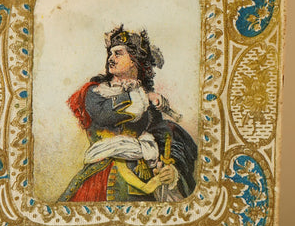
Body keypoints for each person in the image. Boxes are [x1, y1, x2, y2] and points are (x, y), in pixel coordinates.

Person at [59, 26, 197, 202]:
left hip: (143, 177)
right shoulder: (95, 92)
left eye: (118, 54)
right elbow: (104, 115)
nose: (111, 58)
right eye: (110, 54)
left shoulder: (145, 100)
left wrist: (172, 169)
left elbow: (163, 135)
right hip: (101, 177)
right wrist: (143, 96)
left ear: (134, 61)